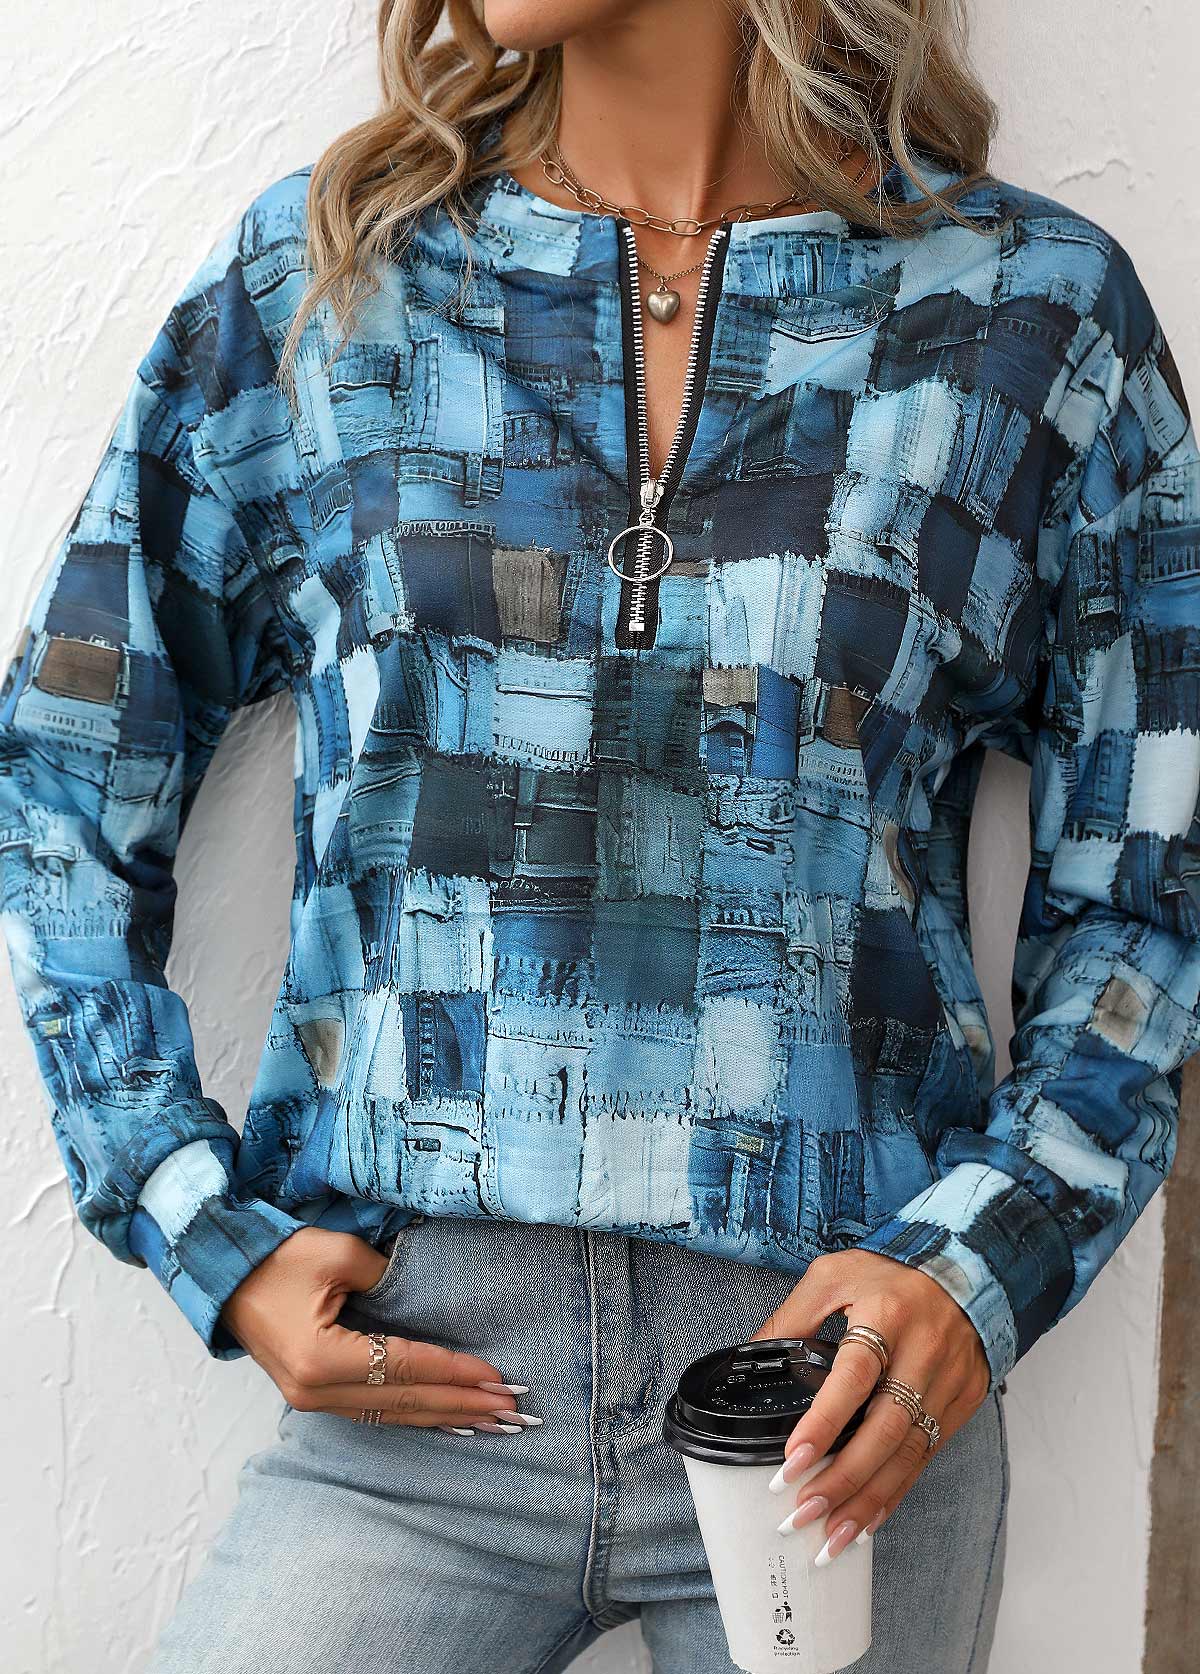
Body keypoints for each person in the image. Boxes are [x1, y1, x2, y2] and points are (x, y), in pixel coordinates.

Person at [3, 1, 1198, 1669]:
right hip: (419, 1372)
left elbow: (1149, 881)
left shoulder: (1026, 319)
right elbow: (65, 766)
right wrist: (191, 1211)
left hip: (831, 1410)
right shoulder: (328, 290)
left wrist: (981, 1262)